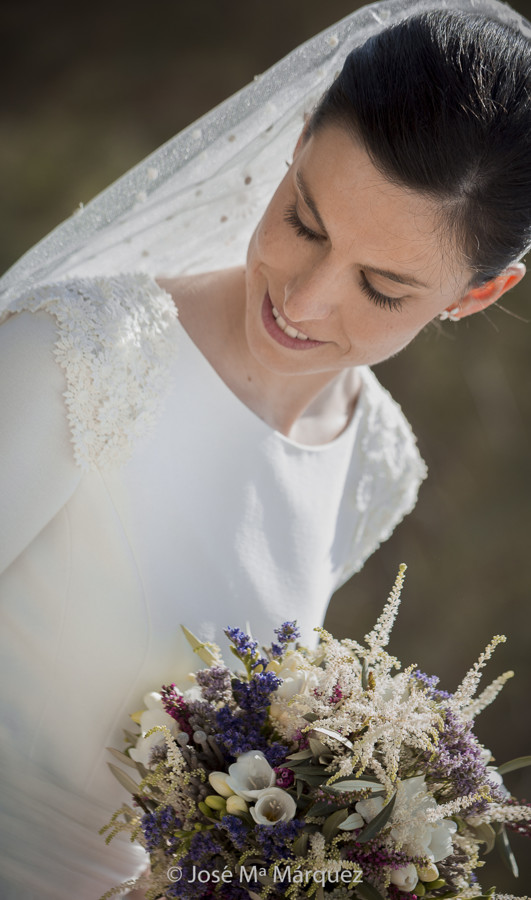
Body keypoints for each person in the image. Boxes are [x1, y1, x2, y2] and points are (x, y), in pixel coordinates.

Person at [1, 1, 530, 897]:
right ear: (292, 146)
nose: (305, 300)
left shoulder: (375, 465)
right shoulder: (74, 356)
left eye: (380, 287)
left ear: (473, 299)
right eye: (305, 221)